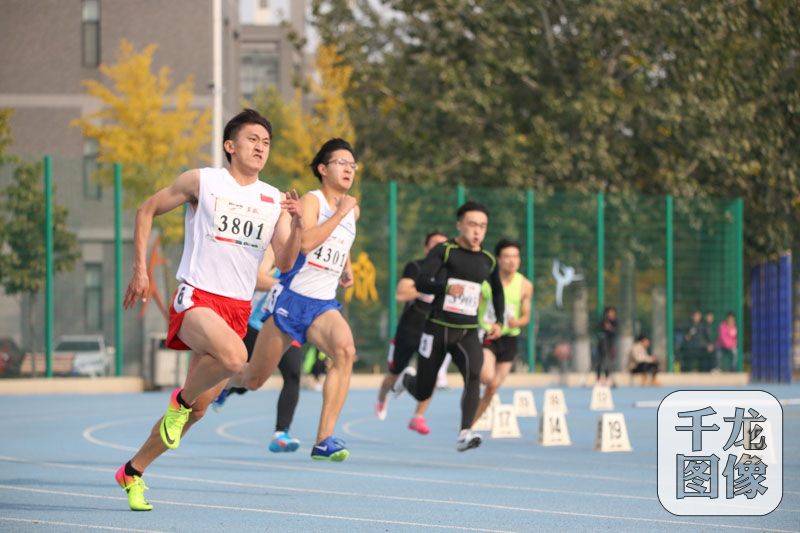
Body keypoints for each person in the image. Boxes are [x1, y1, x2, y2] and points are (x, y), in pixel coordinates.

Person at [115, 109, 303, 511]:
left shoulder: (273, 200)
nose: (260, 147)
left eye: (266, 142)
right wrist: (140, 271)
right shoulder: (203, 181)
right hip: (197, 298)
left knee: (197, 412)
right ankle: (178, 403)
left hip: (236, 309)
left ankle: (133, 470)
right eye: (253, 139)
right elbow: (145, 209)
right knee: (236, 359)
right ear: (230, 145)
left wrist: (299, 224)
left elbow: (285, 262)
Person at [225, 138, 359, 462]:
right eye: (341, 163)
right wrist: (340, 212)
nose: (348, 170)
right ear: (323, 169)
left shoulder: (351, 209)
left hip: (322, 303)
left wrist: (346, 267)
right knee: (254, 379)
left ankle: (323, 439)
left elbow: (343, 239)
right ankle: (226, 379)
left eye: (353, 166)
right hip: (291, 299)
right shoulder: (314, 202)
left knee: (345, 352)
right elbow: (308, 242)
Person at [393, 201, 504, 452]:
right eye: (472, 225)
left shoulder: (488, 259)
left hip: (467, 331)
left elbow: (497, 291)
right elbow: (421, 282)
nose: (477, 231)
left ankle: (465, 432)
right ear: (460, 225)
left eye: (483, 226)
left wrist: (499, 321)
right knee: (423, 391)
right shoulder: (444, 251)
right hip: (436, 328)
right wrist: (445, 288)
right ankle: (408, 379)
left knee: (474, 376)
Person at [211, 246, 305, 453]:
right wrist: (287, 288)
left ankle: (281, 433)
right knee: (251, 378)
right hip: (259, 325)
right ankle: (224, 387)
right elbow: (258, 279)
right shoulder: (274, 249)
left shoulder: (315, 251)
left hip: (290, 325)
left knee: (293, 375)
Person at [375, 230, 448, 434]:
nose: (438, 249)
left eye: (443, 245)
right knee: (393, 374)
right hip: (409, 328)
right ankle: (381, 398)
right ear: (427, 248)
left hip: (433, 330)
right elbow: (401, 293)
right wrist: (427, 289)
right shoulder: (416, 267)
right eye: (434, 244)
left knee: (431, 376)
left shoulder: (449, 272)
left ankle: (418, 416)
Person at [472, 238, 533, 425]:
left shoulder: (525, 285)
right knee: (487, 376)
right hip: (488, 335)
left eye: (516, 256)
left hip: (509, 339)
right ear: (498, 259)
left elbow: (526, 316)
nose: (512, 261)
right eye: (507, 257)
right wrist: (482, 324)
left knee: (493, 388)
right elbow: (474, 308)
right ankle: (472, 379)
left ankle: (470, 424)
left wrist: (517, 322)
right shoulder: (486, 283)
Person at [595, 306, 617, 386]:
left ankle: (608, 378)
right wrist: (603, 327)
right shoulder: (603, 321)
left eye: (613, 313)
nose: (611, 314)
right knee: (600, 361)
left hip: (610, 344)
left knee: (608, 361)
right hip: (602, 344)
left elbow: (616, 332)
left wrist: (610, 328)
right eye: (610, 313)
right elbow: (596, 329)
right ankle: (598, 379)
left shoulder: (615, 322)